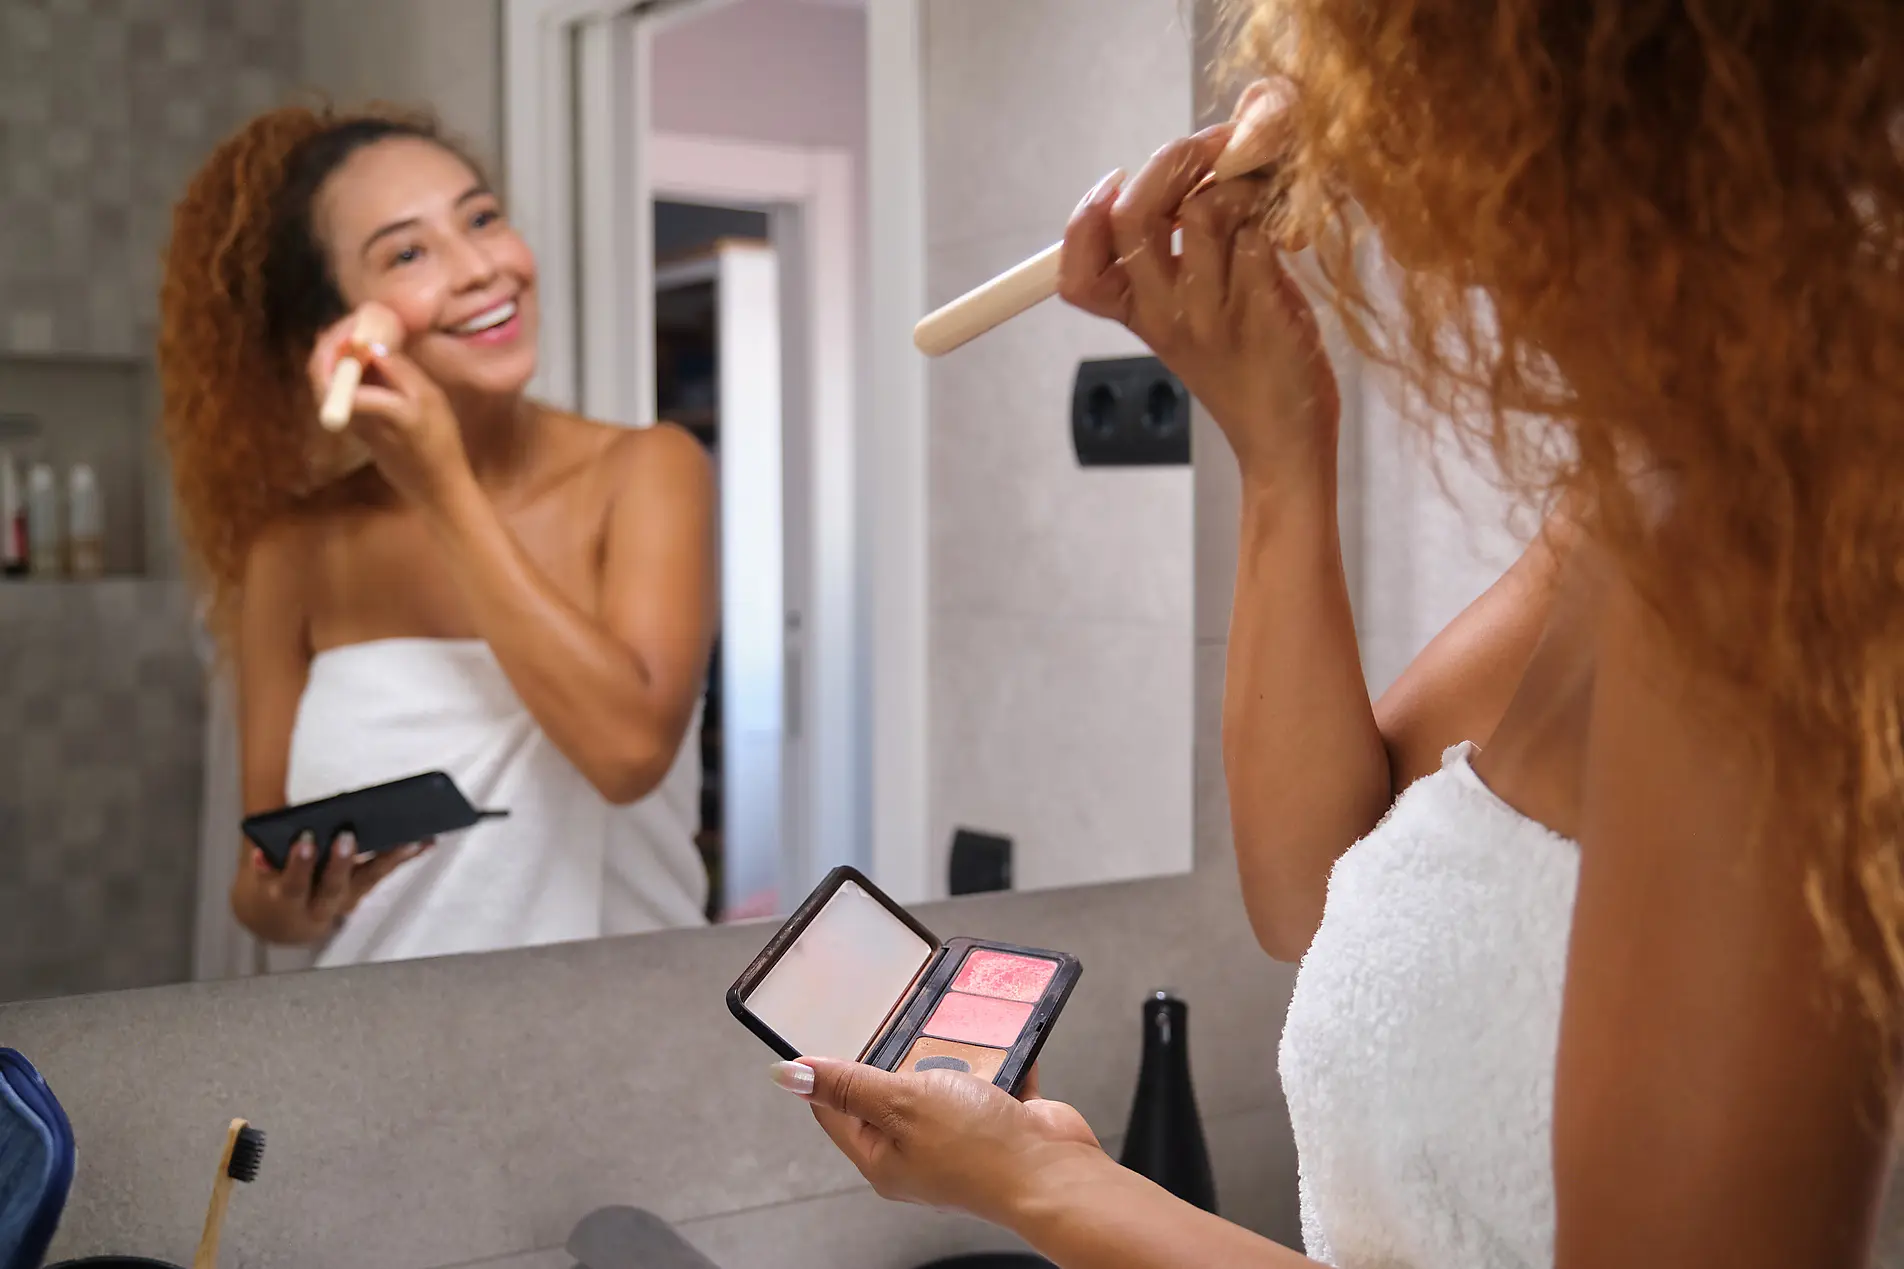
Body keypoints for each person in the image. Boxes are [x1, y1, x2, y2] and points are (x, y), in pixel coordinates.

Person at [770, 4, 1904, 1266]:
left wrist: (1047, 1189)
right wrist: (1277, 446)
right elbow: (1319, 889)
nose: (1292, 84)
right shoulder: (1629, 493)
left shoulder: (1766, 550)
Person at [158, 105, 717, 966]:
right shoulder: (295, 550)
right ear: (334, 332)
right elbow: (258, 896)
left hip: (623, 1043)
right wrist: (294, 902)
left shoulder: (649, 472)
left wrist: (441, 486)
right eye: (408, 253)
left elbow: (627, 753)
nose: (481, 269)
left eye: (482, 218)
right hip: (383, 1049)